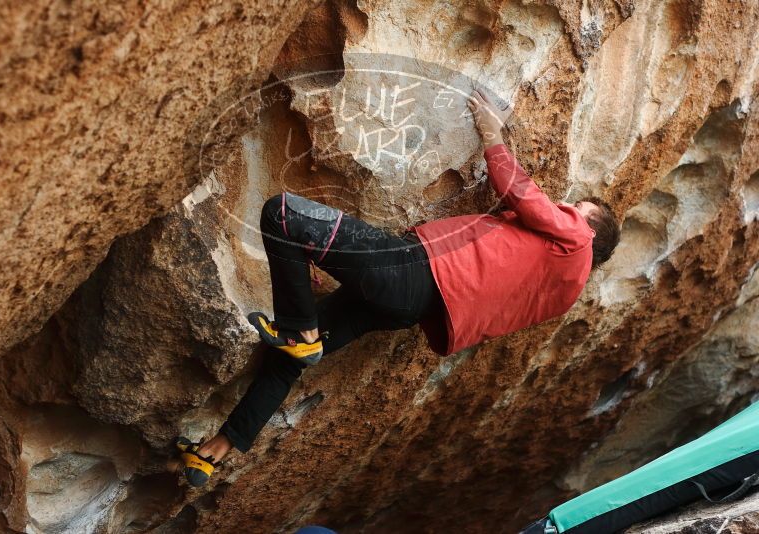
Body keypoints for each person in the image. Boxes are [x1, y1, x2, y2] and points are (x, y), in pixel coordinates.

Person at [177, 90, 621, 485]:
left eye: (573, 207)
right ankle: (213, 454)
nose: (564, 207)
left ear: (589, 227)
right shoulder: (563, 293)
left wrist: (491, 130)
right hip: (409, 309)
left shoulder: (576, 235)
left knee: (283, 215)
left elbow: (523, 195)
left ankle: (300, 329)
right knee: (289, 360)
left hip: (416, 270)